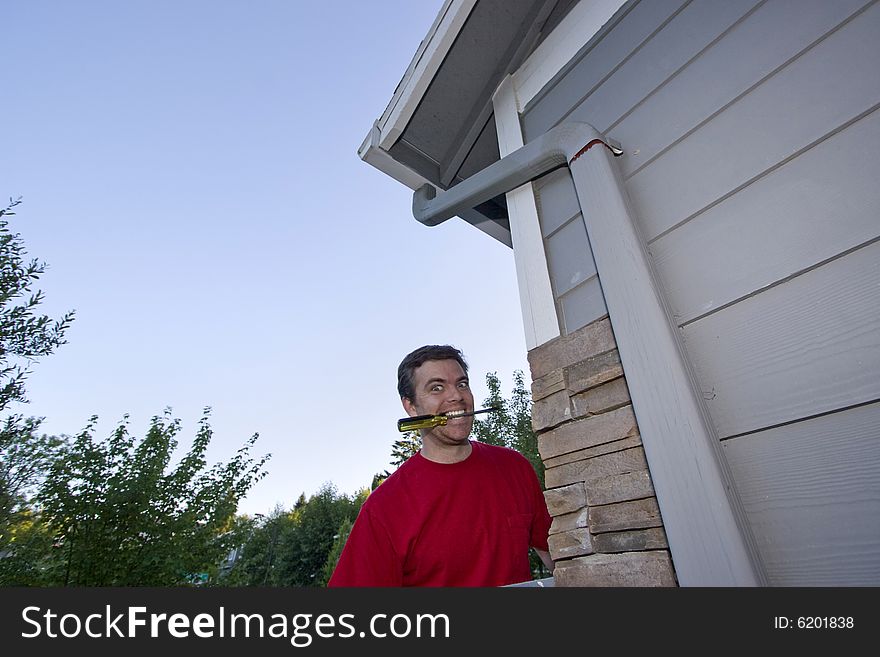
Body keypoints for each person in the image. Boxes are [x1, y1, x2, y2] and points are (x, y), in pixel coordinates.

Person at [328, 344, 553, 587]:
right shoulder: (384, 507)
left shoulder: (514, 468)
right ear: (411, 407)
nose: (456, 396)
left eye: (462, 384)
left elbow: (560, 554)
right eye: (437, 388)